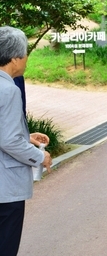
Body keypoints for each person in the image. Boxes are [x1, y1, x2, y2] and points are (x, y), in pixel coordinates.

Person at [0, 26, 52, 256]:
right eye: (24, 54)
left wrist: (26, 137)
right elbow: (9, 140)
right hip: (5, 187)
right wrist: (40, 156)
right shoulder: (8, 90)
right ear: (14, 59)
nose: (26, 59)